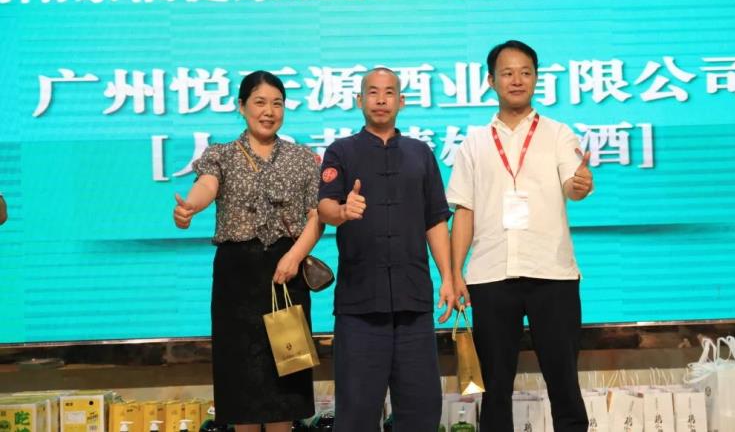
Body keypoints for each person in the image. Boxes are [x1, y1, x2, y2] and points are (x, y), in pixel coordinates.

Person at [447, 40, 593, 432]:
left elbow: (573, 184)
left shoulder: (558, 134)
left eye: (525, 72)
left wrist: (581, 185)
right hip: (490, 276)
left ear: (536, 78)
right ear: (491, 81)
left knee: (564, 383)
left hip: (552, 275)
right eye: (508, 73)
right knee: (495, 389)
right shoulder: (474, 142)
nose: (517, 80)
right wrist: (455, 274)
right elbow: (464, 211)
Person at [173, 71, 323, 432]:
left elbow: (316, 216)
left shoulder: (303, 158)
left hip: (286, 276)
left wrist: (294, 257)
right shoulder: (221, 155)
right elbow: (207, 185)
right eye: (259, 102)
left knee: (286, 380)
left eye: (277, 103)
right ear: (241, 107)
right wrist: (190, 207)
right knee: (240, 382)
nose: (268, 111)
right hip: (237, 279)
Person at [317, 67, 458, 431]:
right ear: (359, 100)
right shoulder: (340, 151)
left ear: (402, 101)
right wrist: (343, 211)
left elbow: (435, 220)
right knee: (356, 414)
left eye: (389, 92)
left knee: (421, 412)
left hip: (413, 302)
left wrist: (449, 277)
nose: (381, 100)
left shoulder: (420, 153)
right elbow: (325, 207)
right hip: (360, 305)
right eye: (373, 92)